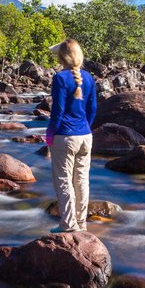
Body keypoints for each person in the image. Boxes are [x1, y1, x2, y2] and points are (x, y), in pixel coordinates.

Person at [46, 39, 97, 233]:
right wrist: (84, 128)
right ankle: (81, 223)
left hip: (65, 136)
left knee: (64, 180)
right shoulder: (89, 78)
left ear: (62, 57)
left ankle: (68, 224)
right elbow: (92, 109)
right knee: (82, 180)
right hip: (85, 136)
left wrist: (50, 134)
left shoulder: (60, 78)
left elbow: (57, 111)